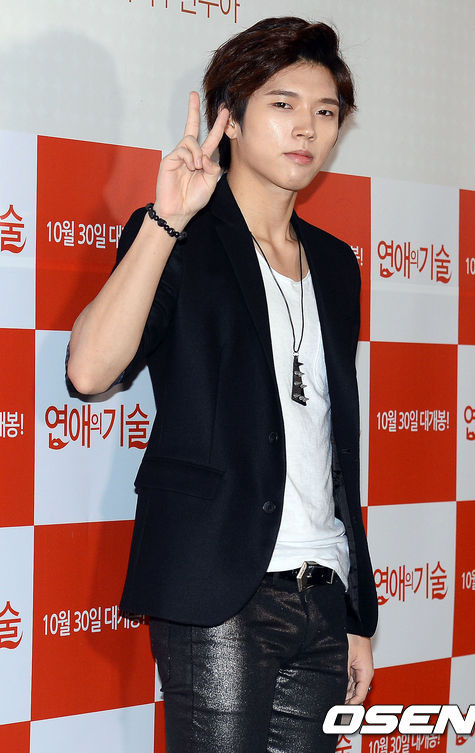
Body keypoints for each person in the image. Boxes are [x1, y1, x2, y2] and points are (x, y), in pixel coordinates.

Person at [67, 16, 378, 753]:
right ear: (229, 119)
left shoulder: (337, 264)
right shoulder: (181, 237)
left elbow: (333, 443)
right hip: (219, 589)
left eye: (325, 111)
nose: (306, 127)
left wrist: (357, 611)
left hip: (323, 589)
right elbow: (89, 371)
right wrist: (167, 220)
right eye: (282, 104)